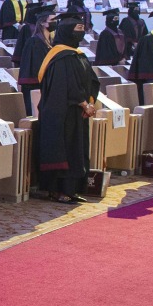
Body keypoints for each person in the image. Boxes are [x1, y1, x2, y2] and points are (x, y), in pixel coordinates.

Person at [35, 13, 100, 204]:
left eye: (82, 29)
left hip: (77, 112)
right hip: (60, 113)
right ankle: (58, 191)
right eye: (78, 29)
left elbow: (92, 81)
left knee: (76, 151)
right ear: (66, 31)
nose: (81, 33)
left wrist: (89, 102)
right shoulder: (60, 57)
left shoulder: (78, 55)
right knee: (63, 150)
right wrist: (83, 103)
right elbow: (66, 86)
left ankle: (71, 190)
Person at [18, 5, 57, 116]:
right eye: (52, 20)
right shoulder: (34, 42)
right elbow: (34, 68)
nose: (55, 22)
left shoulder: (50, 42)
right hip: (36, 88)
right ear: (42, 23)